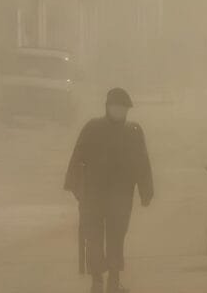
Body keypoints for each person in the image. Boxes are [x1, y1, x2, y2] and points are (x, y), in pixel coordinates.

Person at [64, 88, 154, 293]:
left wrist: (146, 190)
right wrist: (76, 187)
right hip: (92, 195)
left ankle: (114, 279)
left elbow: (142, 163)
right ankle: (97, 279)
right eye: (116, 107)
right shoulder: (92, 128)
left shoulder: (134, 132)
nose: (119, 111)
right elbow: (77, 158)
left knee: (117, 236)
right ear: (107, 107)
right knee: (93, 238)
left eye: (123, 108)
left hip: (121, 195)